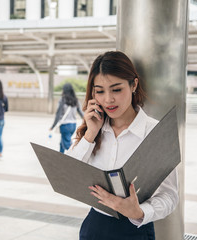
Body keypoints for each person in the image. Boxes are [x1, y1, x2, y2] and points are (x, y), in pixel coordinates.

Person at [66, 51, 179, 240]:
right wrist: (90, 135)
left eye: (116, 90)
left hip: (134, 230)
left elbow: (170, 196)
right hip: (94, 226)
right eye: (100, 91)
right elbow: (68, 174)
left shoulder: (154, 132)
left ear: (133, 84)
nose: (108, 99)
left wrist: (140, 212)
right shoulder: (94, 128)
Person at [50, 83, 84, 153]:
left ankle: (75, 156)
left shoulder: (62, 100)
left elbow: (58, 114)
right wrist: (87, 121)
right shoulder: (76, 100)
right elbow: (81, 112)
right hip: (73, 125)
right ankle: (60, 156)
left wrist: (53, 126)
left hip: (65, 126)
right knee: (63, 141)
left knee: (67, 144)